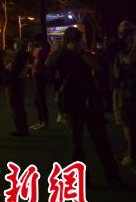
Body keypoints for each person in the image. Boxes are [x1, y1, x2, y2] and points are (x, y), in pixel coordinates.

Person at [47, 27, 127, 188]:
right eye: (75, 39)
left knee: (101, 141)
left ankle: (111, 176)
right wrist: (64, 48)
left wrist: (82, 53)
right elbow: (49, 63)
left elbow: (97, 67)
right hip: (72, 102)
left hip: (90, 101)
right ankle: (82, 178)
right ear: (69, 40)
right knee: (77, 144)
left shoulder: (84, 55)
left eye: (79, 39)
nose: (78, 42)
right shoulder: (62, 55)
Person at [116, 21, 136, 169]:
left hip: (130, 92)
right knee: (129, 124)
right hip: (129, 92)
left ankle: (131, 154)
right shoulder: (122, 52)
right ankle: (131, 153)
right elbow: (128, 61)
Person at [5, 40, 30, 137]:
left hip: (15, 82)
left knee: (15, 106)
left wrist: (7, 73)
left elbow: (14, 70)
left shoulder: (21, 56)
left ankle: (21, 129)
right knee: (16, 106)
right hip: (18, 81)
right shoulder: (21, 55)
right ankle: (21, 128)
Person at [30, 35, 52, 131]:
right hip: (39, 75)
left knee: (40, 99)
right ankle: (41, 121)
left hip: (39, 75)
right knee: (37, 99)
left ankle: (44, 122)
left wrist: (29, 65)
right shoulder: (41, 50)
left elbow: (37, 65)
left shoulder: (42, 51)